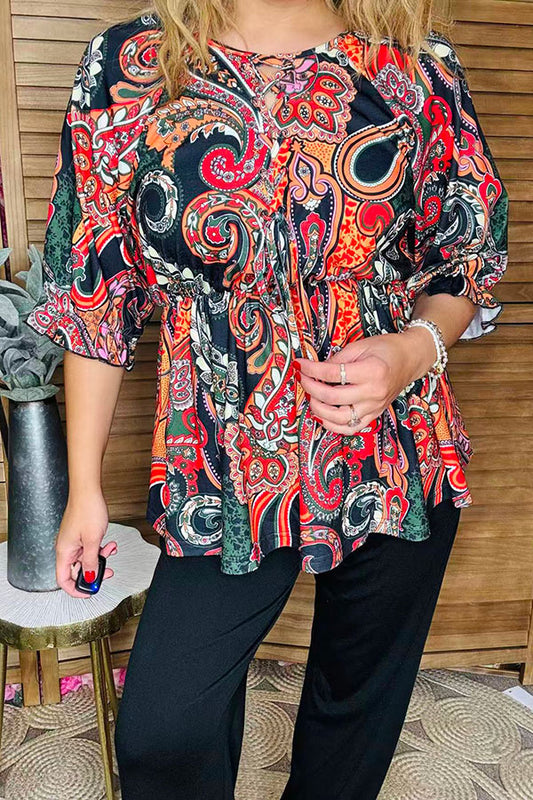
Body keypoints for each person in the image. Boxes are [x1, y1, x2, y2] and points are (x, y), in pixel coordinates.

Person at [25, 0, 509, 797]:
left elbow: (464, 250)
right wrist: (84, 490)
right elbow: (93, 292)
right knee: (163, 734)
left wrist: (410, 351)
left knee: (356, 707)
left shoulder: (415, 63)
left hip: (395, 447)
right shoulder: (130, 62)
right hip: (219, 461)